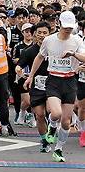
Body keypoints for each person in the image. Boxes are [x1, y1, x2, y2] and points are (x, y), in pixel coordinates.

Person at [26, 11, 84, 162]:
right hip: (53, 80)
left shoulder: (77, 40)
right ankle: (52, 127)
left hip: (70, 81)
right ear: (59, 24)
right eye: (65, 27)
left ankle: (58, 149)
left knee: (66, 121)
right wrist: (31, 76)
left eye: (70, 28)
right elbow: (40, 56)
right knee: (56, 113)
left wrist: (73, 54)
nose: (68, 30)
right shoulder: (49, 40)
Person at [20, 22, 51, 152]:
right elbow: (19, 66)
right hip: (36, 86)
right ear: (34, 35)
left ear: (50, 34)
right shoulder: (29, 52)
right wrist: (21, 73)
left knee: (52, 112)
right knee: (39, 115)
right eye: (39, 33)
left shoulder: (54, 49)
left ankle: (53, 129)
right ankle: (44, 140)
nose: (42, 36)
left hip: (52, 85)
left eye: (45, 33)